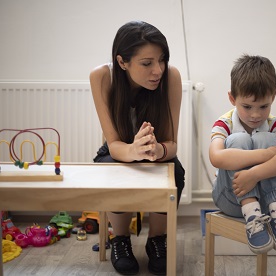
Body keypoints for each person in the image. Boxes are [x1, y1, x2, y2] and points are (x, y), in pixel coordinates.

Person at [89, 21, 185, 275]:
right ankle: (119, 239)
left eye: (162, 60)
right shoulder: (102, 77)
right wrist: (134, 151)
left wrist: (157, 151)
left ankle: (157, 240)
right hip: (117, 153)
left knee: (175, 171)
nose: (158, 70)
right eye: (147, 63)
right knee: (111, 170)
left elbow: (172, 144)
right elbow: (113, 144)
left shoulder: (171, 77)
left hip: (157, 154)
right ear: (122, 62)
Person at [209, 54, 276, 255]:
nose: (256, 115)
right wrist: (264, 155)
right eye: (247, 106)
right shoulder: (225, 122)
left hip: (267, 201)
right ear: (232, 98)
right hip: (231, 197)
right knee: (238, 140)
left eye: (264, 106)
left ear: (273, 97)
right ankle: (251, 215)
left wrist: (254, 175)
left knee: (267, 138)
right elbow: (216, 157)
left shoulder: (275, 123)